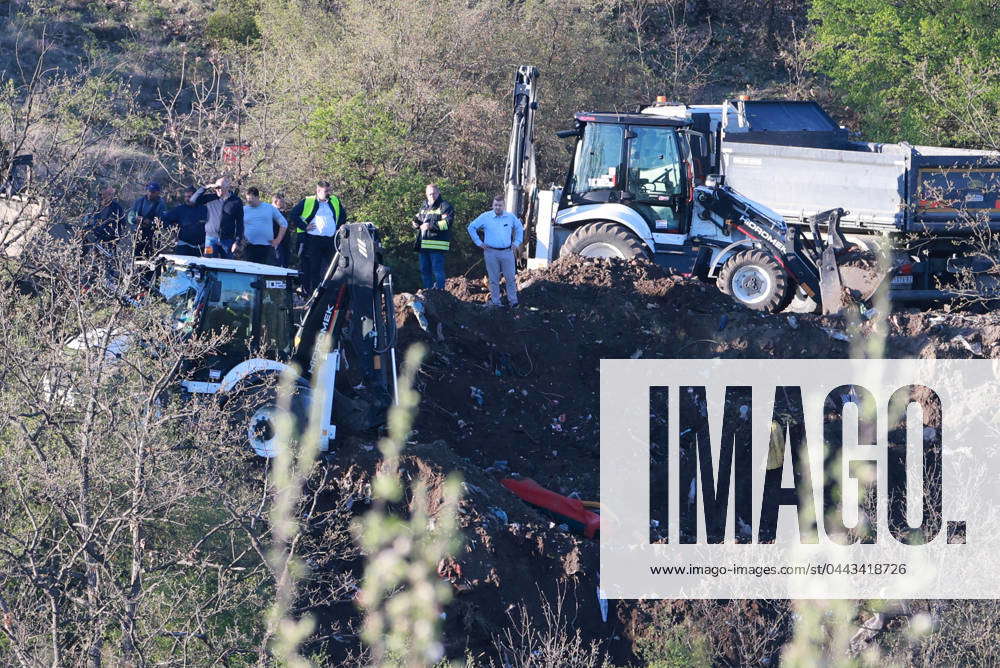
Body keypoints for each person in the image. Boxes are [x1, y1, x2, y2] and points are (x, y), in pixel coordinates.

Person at [288, 180, 346, 294]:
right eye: (326, 191)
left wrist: (340, 227)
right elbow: (293, 214)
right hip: (313, 239)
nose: (328, 193)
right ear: (318, 191)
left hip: (330, 239)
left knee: (333, 266)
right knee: (314, 267)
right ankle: (313, 292)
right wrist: (304, 226)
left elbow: (343, 215)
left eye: (329, 190)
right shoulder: (308, 201)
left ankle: (331, 292)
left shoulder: (334, 200)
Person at [467, 194, 524, 308]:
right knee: (493, 279)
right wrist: (479, 242)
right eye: (495, 205)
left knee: (510, 278)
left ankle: (513, 302)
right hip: (491, 252)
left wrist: (516, 243)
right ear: (492, 205)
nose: (497, 207)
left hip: (507, 252)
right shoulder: (485, 217)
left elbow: (519, 228)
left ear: (504, 206)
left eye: (500, 205)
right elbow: (471, 227)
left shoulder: (510, 217)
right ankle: (496, 302)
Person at [412, 183, 454, 290]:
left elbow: (447, 223)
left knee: (437, 271)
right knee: (424, 271)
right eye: (430, 194)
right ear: (426, 194)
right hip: (423, 245)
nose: (432, 196)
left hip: (437, 245)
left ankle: (440, 293)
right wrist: (415, 223)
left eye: (434, 193)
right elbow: (419, 219)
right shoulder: (424, 206)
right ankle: (428, 293)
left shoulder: (445, 206)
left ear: (439, 192)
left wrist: (430, 226)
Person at [190, 176, 244, 259]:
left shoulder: (236, 201)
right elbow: (193, 200)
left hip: (227, 240)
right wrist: (205, 187)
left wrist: (237, 241)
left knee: (227, 265)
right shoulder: (211, 198)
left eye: (220, 188)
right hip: (210, 239)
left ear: (227, 187)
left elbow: (240, 223)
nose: (217, 190)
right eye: (216, 188)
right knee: (208, 264)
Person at [242, 187, 287, 265]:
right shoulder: (244, 209)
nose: (249, 201)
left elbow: (284, 223)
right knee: (250, 271)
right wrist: (240, 239)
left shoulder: (269, 208)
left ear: (258, 197)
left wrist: (278, 240)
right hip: (249, 246)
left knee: (265, 273)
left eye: (251, 199)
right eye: (247, 199)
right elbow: (238, 225)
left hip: (267, 247)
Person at [162, 186, 208, 257]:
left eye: (190, 196)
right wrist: (173, 233)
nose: (187, 199)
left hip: (201, 246)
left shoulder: (204, 209)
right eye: (185, 197)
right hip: (184, 246)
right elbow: (164, 221)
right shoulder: (179, 210)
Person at [128, 182, 168, 258]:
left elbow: (163, 222)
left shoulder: (161, 204)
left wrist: (150, 223)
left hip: (152, 238)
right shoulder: (139, 201)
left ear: (158, 192)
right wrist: (134, 220)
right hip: (137, 236)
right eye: (149, 191)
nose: (150, 194)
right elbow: (130, 215)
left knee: (151, 262)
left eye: (153, 192)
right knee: (136, 260)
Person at [272, 192, 293, 267]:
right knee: (278, 260)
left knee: (285, 262)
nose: (284, 203)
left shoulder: (283, 212)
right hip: (276, 240)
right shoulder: (270, 212)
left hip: (285, 241)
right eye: (282, 201)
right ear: (275, 202)